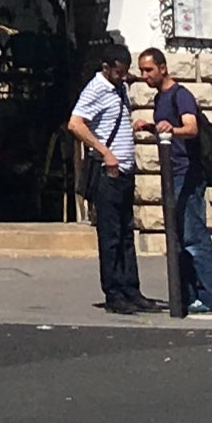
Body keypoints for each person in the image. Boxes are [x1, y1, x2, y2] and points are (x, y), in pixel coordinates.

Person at [65, 40, 153, 314]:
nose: (123, 76)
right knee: (111, 234)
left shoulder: (119, 87)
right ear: (106, 68)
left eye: (125, 72)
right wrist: (104, 151)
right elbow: (75, 123)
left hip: (125, 171)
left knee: (127, 232)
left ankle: (131, 289)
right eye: (119, 72)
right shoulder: (96, 89)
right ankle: (113, 293)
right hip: (107, 173)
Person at [139, 47, 212, 318]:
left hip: (187, 175)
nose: (144, 76)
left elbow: (191, 127)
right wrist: (152, 128)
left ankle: (208, 296)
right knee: (177, 238)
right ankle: (187, 295)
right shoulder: (159, 99)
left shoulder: (180, 95)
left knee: (194, 237)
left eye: (149, 70)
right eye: (142, 70)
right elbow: (168, 127)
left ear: (163, 68)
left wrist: (170, 130)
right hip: (171, 174)